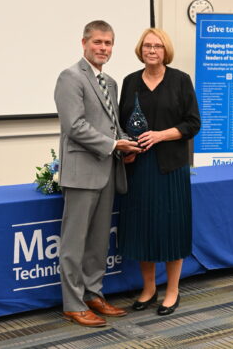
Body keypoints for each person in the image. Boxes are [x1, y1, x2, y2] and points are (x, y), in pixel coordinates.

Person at [54, 20, 141, 327]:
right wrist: (111, 143)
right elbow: (74, 127)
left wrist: (124, 146)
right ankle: (72, 303)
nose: (103, 48)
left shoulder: (111, 82)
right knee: (74, 242)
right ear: (84, 43)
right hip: (81, 172)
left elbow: (112, 124)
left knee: (98, 241)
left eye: (108, 44)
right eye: (98, 43)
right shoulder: (70, 77)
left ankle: (93, 295)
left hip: (107, 170)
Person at [118, 28, 201, 316]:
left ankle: (173, 290)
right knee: (143, 229)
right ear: (140, 49)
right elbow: (120, 125)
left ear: (166, 51)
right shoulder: (129, 82)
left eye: (157, 46)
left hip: (171, 169)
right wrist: (125, 150)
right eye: (147, 46)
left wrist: (160, 135)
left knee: (172, 229)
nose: (151, 50)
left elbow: (193, 124)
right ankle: (149, 288)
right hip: (138, 168)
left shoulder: (180, 80)